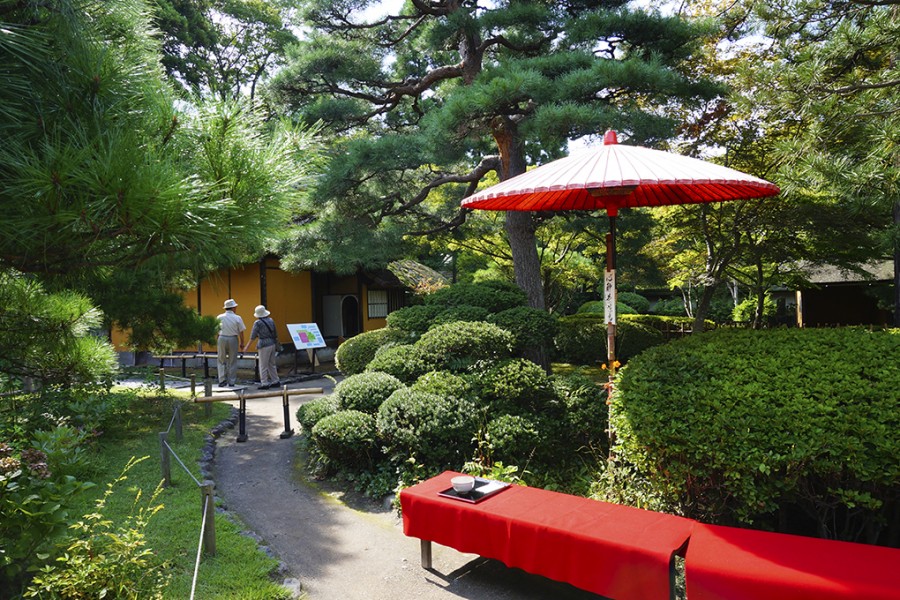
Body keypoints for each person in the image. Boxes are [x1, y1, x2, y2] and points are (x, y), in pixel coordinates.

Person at [244, 305, 281, 389]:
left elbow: (252, 336)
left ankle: (264, 383)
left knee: (263, 365)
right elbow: (275, 333)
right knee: (272, 364)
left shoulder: (258, 323)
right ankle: (276, 380)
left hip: (264, 344)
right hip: (272, 343)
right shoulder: (271, 320)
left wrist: (247, 347)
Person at [216, 299, 245, 387]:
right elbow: (241, 331)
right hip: (233, 338)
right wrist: (242, 342)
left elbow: (216, 330)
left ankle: (221, 380)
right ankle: (231, 381)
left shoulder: (219, 317)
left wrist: (217, 340)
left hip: (222, 337)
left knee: (221, 360)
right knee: (232, 360)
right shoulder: (237, 317)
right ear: (233, 308)